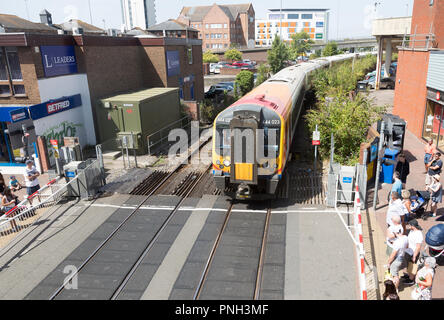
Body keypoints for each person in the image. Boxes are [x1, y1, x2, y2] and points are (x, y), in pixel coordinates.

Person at [402, 219, 424, 286]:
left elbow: (418, 247)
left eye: (410, 225)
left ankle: (411, 280)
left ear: (413, 226)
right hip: (408, 251)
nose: (409, 226)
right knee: (409, 265)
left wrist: (414, 256)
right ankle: (409, 276)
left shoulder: (419, 234)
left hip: (413, 253)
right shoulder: (412, 231)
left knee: (413, 267)